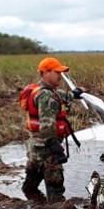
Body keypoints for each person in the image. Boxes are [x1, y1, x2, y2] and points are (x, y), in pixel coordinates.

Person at [19, 57, 82, 201]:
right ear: (46, 73)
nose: (60, 76)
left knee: (30, 187)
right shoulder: (46, 96)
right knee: (56, 194)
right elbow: (47, 126)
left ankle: (33, 208)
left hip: (35, 149)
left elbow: (63, 96)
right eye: (57, 72)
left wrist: (75, 95)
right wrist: (56, 149)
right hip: (48, 152)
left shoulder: (41, 90)